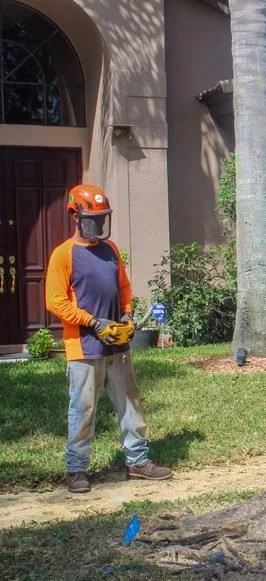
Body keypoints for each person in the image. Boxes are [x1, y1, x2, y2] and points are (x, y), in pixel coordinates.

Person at [45, 184, 172, 493]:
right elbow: (55, 301)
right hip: (83, 347)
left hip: (118, 344)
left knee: (130, 404)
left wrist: (126, 314)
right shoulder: (63, 254)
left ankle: (138, 461)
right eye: (92, 219)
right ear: (75, 216)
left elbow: (124, 288)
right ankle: (77, 469)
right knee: (83, 408)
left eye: (102, 219)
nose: (99, 226)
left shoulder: (111, 249)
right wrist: (93, 322)